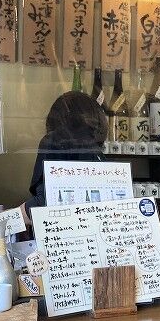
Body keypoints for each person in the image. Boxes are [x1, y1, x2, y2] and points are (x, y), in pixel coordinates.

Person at [20, 91, 108, 225]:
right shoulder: (96, 152)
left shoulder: (54, 140)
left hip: (63, 231)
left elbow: (45, 202)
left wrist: (5, 220)